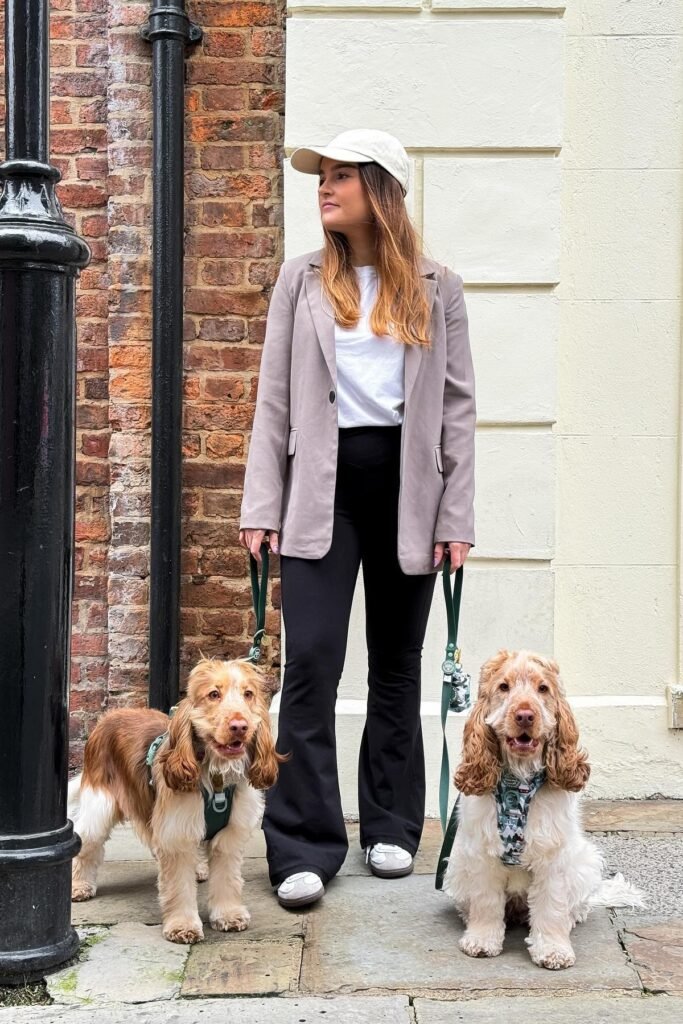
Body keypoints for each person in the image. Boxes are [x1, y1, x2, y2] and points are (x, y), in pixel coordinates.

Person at [239, 128, 475, 908]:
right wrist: (260, 505)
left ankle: (391, 829)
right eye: (321, 177)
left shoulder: (438, 286)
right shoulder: (298, 279)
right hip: (320, 490)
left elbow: (456, 413)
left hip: (408, 491)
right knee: (308, 661)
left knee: (397, 666)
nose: (323, 188)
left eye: (340, 176)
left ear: (380, 190)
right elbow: (273, 399)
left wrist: (456, 516)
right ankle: (303, 844)